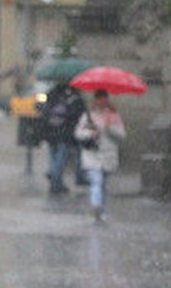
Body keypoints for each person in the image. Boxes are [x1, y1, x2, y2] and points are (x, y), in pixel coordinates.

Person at [73, 89, 126, 222]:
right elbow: (78, 133)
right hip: (92, 154)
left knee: (104, 184)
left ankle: (102, 210)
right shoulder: (88, 115)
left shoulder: (114, 115)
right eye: (99, 99)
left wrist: (109, 128)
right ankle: (96, 205)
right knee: (96, 181)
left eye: (104, 99)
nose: (102, 102)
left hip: (108, 154)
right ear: (95, 100)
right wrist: (91, 133)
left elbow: (122, 135)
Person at [40, 81, 86, 194]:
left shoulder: (51, 95)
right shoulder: (73, 98)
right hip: (64, 133)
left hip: (50, 131)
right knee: (61, 158)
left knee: (53, 157)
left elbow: (41, 109)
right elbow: (77, 115)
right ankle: (55, 182)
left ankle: (56, 179)